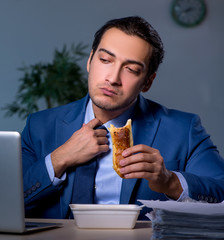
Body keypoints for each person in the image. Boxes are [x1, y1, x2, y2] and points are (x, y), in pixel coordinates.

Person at [21, 16, 224, 220]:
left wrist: (170, 182)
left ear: (147, 82)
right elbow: (5, 200)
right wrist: (58, 159)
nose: (113, 78)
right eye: (105, 60)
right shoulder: (38, 126)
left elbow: (221, 192)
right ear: (90, 61)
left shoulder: (184, 129)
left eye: (131, 70)